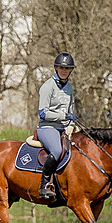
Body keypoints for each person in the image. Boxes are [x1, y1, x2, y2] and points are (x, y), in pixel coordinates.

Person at [37, 52, 77, 199]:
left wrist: (72, 123)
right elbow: (43, 113)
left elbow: (71, 110)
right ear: (56, 68)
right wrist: (64, 116)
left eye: (67, 68)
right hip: (47, 127)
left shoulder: (69, 87)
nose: (64, 71)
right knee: (57, 149)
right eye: (61, 68)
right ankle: (44, 185)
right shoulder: (48, 86)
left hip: (64, 127)